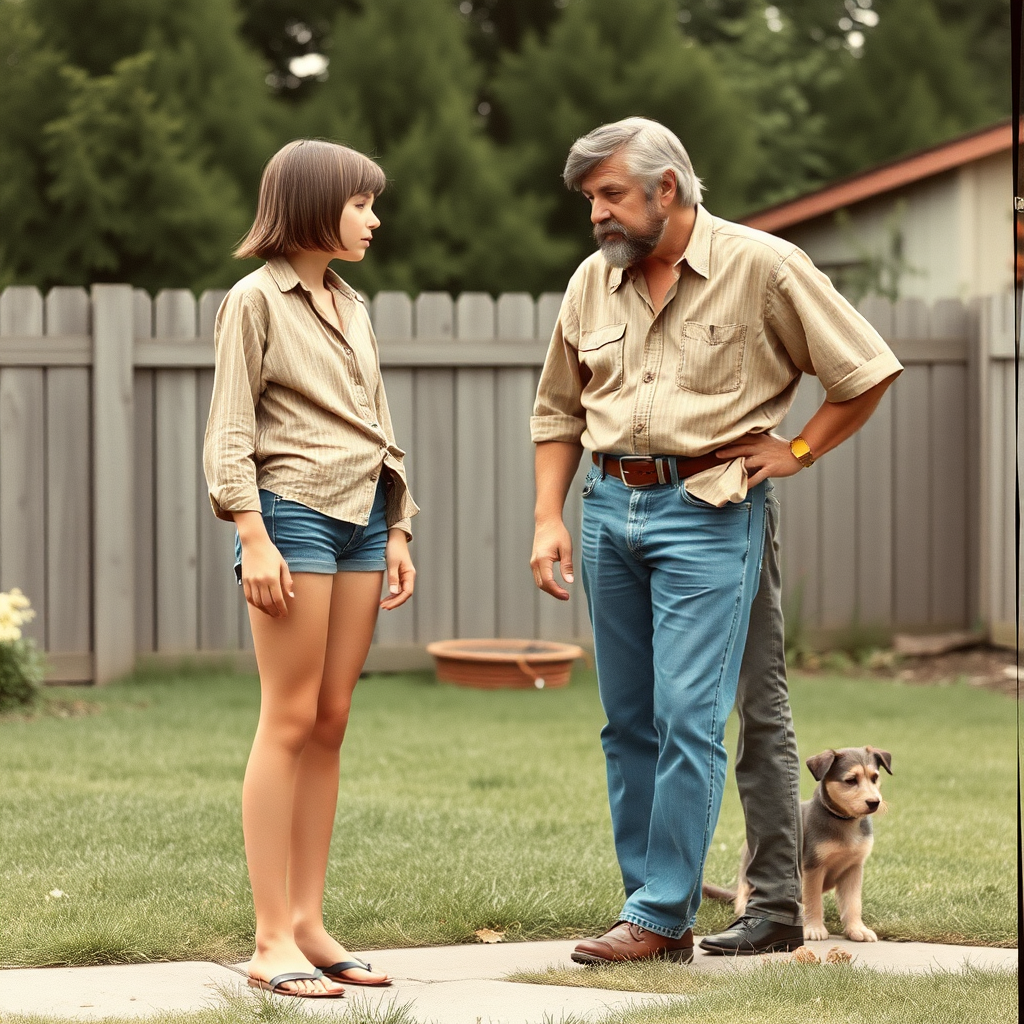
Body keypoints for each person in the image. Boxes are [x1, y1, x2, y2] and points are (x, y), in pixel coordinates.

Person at [529, 117, 902, 964]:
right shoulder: (594, 280)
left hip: (708, 511)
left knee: (687, 718)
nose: (598, 216)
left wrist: (798, 449)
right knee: (625, 723)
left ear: (669, 189)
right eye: (592, 200)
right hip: (605, 510)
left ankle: (660, 917)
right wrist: (550, 516)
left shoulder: (762, 266)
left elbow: (866, 368)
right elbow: (558, 409)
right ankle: (648, 906)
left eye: (612, 196)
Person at [203, 139, 418, 998]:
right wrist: (252, 534)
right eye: (362, 202)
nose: (374, 217)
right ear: (314, 204)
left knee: (332, 717)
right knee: (288, 716)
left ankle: (309, 925)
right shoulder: (254, 301)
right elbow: (229, 429)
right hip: (291, 516)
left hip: (366, 517)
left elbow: (377, 417)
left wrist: (399, 526)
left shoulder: (351, 304)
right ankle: (267, 942)